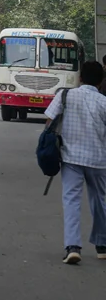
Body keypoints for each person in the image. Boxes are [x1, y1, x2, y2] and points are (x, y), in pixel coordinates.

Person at [43, 60, 106, 264]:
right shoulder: (104, 102)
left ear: (80, 78)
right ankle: (102, 245)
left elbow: (49, 122)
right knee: (100, 201)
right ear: (101, 81)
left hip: (70, 158)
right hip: (98, 159)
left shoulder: (65, 95)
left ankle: (73, 247)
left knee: (71, 200)